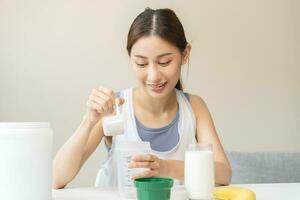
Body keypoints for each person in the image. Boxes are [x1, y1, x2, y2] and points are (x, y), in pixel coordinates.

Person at [52, 7, 232, 189]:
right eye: (141, 63)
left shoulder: (194, 107)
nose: (153, 75)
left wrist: (166, 167)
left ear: (185, 54)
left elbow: (224, 173)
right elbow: (56, 179)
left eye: (164, 62)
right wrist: (88, 122)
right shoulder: (115, 108)